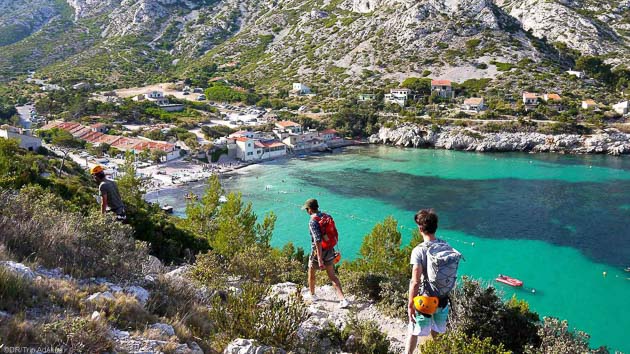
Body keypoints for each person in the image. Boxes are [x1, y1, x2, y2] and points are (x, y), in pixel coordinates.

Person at [405, 209, 453, 354]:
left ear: (420, 229)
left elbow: (415, 282)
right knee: (438, 333)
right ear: (435, 227)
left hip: (425, 301)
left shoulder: (418, 251)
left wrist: (410, 305)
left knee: (413, 330)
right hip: (443, 299)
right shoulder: (446, 246)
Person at [302, 198, 349, 308]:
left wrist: (319, 259)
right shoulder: (327, 216)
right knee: (332, 276)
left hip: (317, 252)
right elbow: (334, 233)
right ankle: (343, 300)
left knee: (311, 272)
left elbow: (317, 240)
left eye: (306, 209)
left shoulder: (313, 221)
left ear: (309, 209)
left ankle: (312, 295)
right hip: (329, 250)